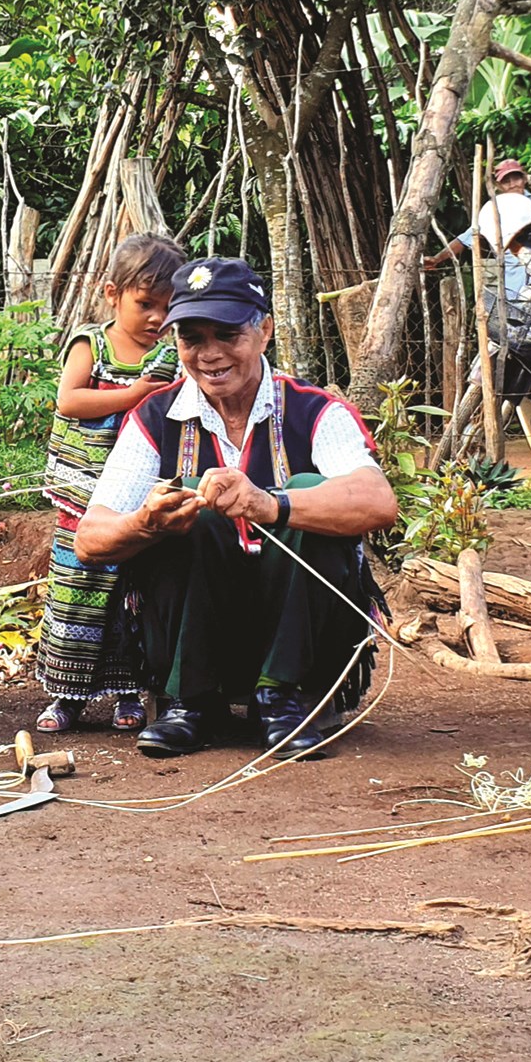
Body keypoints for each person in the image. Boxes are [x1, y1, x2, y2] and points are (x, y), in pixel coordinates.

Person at [73, 257, 400, 758]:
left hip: (307, 639)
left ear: (265, 331)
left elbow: (378, 502)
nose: (209, 354)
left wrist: (272, 505)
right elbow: (90, 539)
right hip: (195, 634)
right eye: (192, 339)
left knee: (313, 489)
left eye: (227, 334)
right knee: (187, 505)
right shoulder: (154, 416)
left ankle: (286, 694)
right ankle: (190, 700)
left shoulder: (316, 410)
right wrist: (145, 523)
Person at [35, 232, 184, 735]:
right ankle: (66, 697)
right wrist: (134, 394)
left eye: (167, 308)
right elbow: (69, 401)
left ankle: (129, 693)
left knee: (129, 596)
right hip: (80, 498)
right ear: (111, 293)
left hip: (135, 504)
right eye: (145, 304)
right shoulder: (91, 343)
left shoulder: (169, 356)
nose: (156, 319)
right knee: (76, 591)